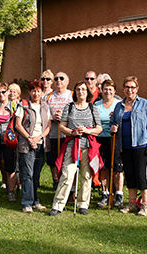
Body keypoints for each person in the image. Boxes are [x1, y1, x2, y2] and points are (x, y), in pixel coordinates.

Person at [48, 81, 103, 216]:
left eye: (84, 89)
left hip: (88, 147)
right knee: (67, 175)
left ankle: (83, 204)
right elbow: (62, 127)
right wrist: (73, 132)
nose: (81, 92)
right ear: (75, 92)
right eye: (78, 89)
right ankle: (58, 205)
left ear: (87, 92)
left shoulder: (92, 108)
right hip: (72, 145)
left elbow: (99, 128)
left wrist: (87, 131)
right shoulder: (69, 107)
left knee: (86, 176)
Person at [110, 76, 147, 217]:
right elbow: (113, 122)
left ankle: (145, 205)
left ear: (137, 89)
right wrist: (113, 127)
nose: (129, 90)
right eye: (127, 87)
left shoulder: (144, 104)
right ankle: (132, 203)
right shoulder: (119, 105)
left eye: (132, 87)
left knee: (141, 175)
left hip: (141, 144)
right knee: (130, 175)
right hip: (124, 146)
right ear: (123, 89)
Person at [14, 81, 51, 213]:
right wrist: (30, 138)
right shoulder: (23, 106)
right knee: (27, 174)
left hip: (40, 144)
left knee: (36, 174)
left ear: (42, 92)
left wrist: (39, 137)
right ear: (29, 92)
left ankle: (35, 201)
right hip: (26, 144)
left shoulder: (45, 107)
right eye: (33, 91)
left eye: (39, 91)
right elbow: (18, 125)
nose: (36, 93)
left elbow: (48, 127)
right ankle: (26, 203)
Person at [94, 80, 124, 208]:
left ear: (115, 91)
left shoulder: (119, 104)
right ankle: (105, 194)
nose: (108, 91)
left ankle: (119, 194)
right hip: (100, 138)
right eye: (105, 89)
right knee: (104, 167)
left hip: (115, 139)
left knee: (117, 168)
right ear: (101, 90)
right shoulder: (96, 104)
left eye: (111, 89)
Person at [44, 72, 73, 190]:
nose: (58, 80)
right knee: (54, 159)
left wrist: (64, 118)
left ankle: (67, 182)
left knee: (67, 159)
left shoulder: (71, 95)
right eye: (56, 79)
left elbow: (78, 111)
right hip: (53, 133)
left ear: (67, 81)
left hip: (67, 134)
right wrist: (52, 117)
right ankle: (55, 180)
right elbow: (43, 113)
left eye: (62, 78)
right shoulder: (48, 96)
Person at [1, 83, 23, 202]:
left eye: (15, 92)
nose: (12, 94)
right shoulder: (3, 105)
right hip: (8, 139)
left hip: (21, 138)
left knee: (21, 164)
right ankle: (11, 190)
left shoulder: (23, 105)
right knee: (9, 165)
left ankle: (21, 186)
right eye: (10, 91)